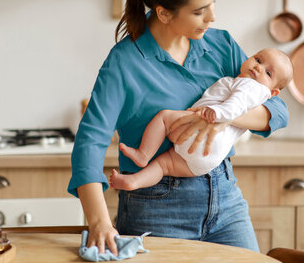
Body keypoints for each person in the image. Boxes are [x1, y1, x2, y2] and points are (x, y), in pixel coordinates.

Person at [67, 0, 289, 256]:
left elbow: (276, 110)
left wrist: (221, 116)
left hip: (225, 198)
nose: (212, 16)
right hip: (156, 206)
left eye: (213, 3)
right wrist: (100, 221)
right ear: (164, 13)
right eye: (200, 11)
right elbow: (90, 143)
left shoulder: (220, 44)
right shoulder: (125, 62)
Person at [109, 48, 293, 191]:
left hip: (198, 131)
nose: (258, 67)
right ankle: (133, 181)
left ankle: (143, 155)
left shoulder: (250, 86)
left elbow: (235, 106)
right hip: (207, 161)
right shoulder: (257, 91)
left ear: (274, 93)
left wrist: (216, 114)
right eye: (258, 59)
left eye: (268, 73)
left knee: (164, 118)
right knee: (164, 166)